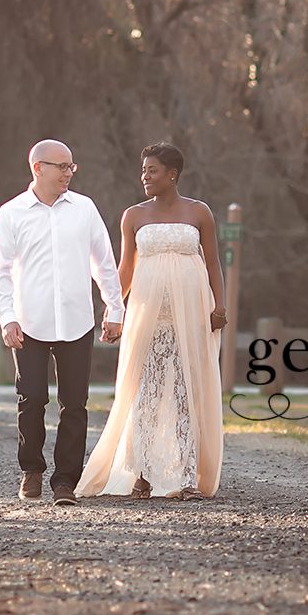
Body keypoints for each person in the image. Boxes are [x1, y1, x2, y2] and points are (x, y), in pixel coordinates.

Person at [77, 142, 225, 500]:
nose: (145, 176)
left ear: (172, 174)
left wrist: (219, 305)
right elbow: (125, 270)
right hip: (148, 315)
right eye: (143, 170)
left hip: (190, 313)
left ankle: (188, 476)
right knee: (146, 393)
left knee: (187, 391)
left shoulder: (199, 212)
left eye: (152, 170)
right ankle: (142, 473)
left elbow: (212, 264)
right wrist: (114, 311)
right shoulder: (133, 216)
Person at [0, 140, 124, 506]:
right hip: (28, 323)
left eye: (71, 167)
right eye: (61, 166)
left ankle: (66, 482)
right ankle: (31, 470)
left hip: (77, 321)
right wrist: (7, 318)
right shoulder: (12, 213)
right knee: (31, 398)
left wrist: (115, 309)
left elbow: (104, 264)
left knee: (75, 404)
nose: (68, 173)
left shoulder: (84, 209)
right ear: (37, 168)